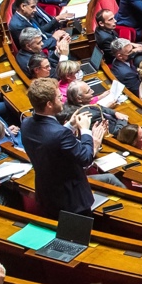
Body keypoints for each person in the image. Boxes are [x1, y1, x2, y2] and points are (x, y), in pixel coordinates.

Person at [21, 77, 101, 218]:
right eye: (59, 98)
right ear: (49, 104)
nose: (63, 100)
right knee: (78, 236)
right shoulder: (59, 133)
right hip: (71, 200)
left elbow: (50, 141)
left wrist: (70, 125)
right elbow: (86, 158)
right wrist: (86, 131)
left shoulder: (26, 124)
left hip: (46, 193)